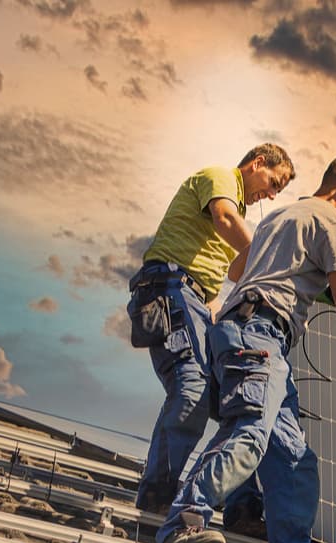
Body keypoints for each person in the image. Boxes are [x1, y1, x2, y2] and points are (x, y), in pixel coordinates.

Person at [155, 152, 336, 543]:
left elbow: (237, 268)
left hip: (246, 334)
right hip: (260, 335)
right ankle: (183, 522)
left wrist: (291, 273)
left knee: (293, 456)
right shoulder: (333, 223)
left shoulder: (281, 215)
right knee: (248, 434)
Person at [127, 144, 294, 515]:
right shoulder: (220, 178)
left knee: (234, 402)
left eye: (277, 192)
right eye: (273, 183)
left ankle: (241, 507)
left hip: (196, 301)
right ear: (257, 163)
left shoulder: (239, 213)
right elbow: (224, 219)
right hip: (170, 287)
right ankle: (156, 499)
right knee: (192, 391)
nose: (269, 194)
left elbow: (227, 278)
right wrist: (270, 255)